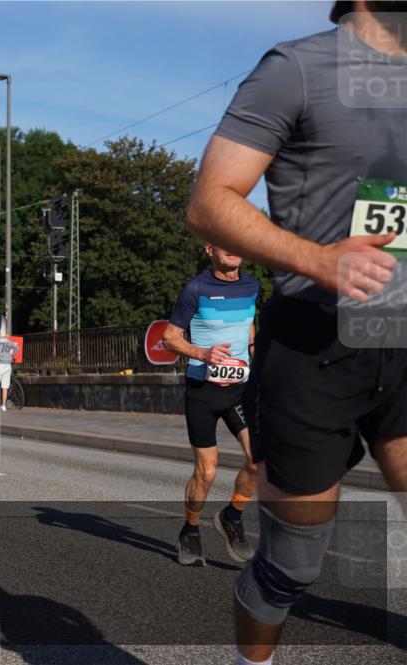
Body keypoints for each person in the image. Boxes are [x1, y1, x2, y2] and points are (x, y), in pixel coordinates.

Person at [186, 3, 406, 663]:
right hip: (314, 346)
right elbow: (209, 201)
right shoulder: (297, 68)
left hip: (400, 338)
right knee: (291, 567)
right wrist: (318, 260)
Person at [163, 244, 259, 566]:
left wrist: (253, 349)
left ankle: (232, 517)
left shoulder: (252, 285)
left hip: (239, 391)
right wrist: (203, 353)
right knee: (206, 472)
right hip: (202, 392)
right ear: (209, 248)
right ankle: (190, 530)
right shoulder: (196, 289)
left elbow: (248, 322)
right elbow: (169, 338)